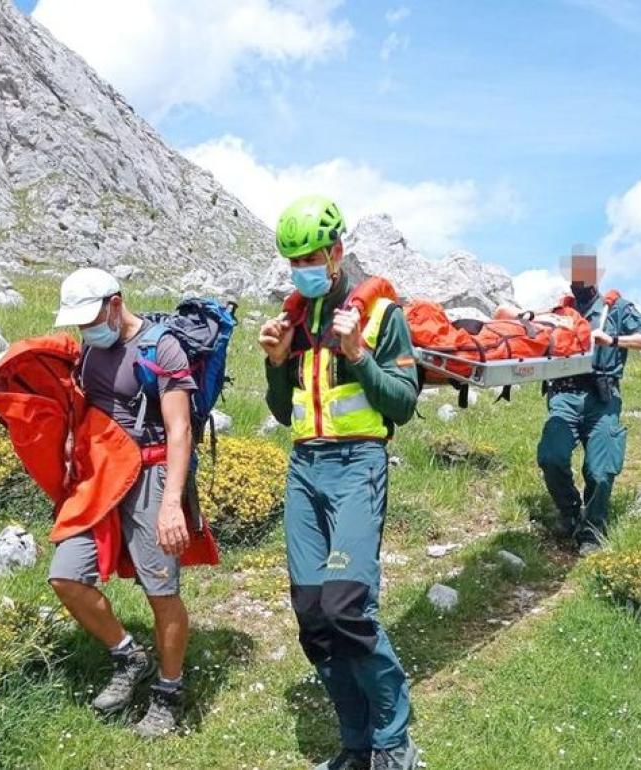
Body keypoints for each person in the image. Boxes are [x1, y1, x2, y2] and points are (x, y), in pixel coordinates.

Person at [259, 195, 422, 770]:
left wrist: (357, 355)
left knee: (347, 604)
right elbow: (284, 413)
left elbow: (401, 405)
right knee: (312, 612)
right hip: (304, 468)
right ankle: (355, 741)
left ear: (336, 251)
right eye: (292, 259)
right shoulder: (296, 319)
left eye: (310, 255)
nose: (302, 267)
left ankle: (394, 740)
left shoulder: (382, 315)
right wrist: (276, 363)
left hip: (359, 464)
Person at [47, 267, 196, 738]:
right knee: (66, 575)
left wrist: (172, 503)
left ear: (116, 302)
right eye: (78, 322)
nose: (85, 328)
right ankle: (130, 657)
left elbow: (180, 430)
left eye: (91, 317)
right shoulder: (92, 346)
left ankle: (169, 692)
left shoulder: (162, 347)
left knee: (161, 591)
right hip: (101, 478)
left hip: (151, 477)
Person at [536, 251, 641, 551]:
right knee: (551, 456)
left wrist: (614, 340)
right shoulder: (560, 312)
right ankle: (569, 512)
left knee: (601, 470)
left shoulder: (617, 309)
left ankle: (593, 528)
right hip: (563, 394)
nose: (580, 283)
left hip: (601, 396)